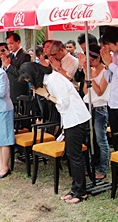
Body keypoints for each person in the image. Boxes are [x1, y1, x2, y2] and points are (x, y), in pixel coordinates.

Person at [19, 62, 91, 204]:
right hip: (70, 119)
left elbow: (63, 103)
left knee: (75, 156)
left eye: (29, 80)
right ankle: (75, 188)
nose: (30, 84)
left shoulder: (53, 80)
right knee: (71, 155)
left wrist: (45, 94)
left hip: (76, 118)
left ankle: (80, 192)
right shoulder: (49, 79)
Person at [80, 44, 110, 180]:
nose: (89, 62)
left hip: (100, 107)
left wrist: (91, 77)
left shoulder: (105, 71)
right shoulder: (90, 71)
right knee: (88, 138)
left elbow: (99, 91)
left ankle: (103, 168)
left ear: (98, 58)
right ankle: (89, 165)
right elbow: (86, 91)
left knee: (100, 139)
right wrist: (87, 76)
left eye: (91, 60)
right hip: (88, 105)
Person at [2, 33, 31, 107]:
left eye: (11, 43)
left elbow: (21, 73)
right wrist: (5, 66)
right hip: (10, 90)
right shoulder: (10, 56)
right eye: (8, 44)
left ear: (18, 42)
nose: (9, 46)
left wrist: (8, 66)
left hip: (20, 90)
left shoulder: (24, 55)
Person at [74, 33, 98, 98]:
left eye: (85, 48)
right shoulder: (83, 58)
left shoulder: (100, 59)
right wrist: (80, 66)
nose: (84, 51)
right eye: (82, 48)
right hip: (83, 96)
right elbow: (77, 78)